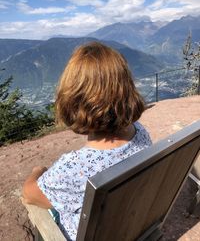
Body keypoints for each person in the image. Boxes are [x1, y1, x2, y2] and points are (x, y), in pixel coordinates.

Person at [22, 42, 152, 241]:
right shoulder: (140, 133)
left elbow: (29, 194)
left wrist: (37, 171)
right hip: (131, 226)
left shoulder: (72, 168)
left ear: (74, 99)